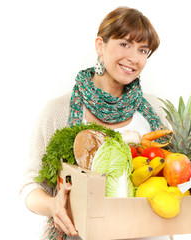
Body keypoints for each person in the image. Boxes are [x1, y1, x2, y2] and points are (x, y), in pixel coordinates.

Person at [20, 7, 169, 240]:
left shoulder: (157, 111)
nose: (134, 58)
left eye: (143, 50)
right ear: (100, 46)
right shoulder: (58, 112)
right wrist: (53, 205)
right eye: (125, 44)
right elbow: (30, 186)